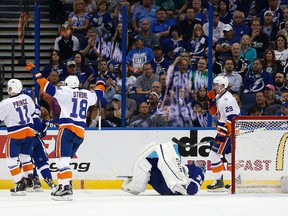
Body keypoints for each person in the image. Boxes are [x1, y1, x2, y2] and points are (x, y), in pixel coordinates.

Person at [26, 63, 106, 201]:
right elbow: (99, 93)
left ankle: (66, 188)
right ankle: (64, 186)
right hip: (80, 133)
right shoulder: (87, 94)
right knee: (65, 161)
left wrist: (36, 74)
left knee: (61, 160)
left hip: (67, 130)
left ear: (67, 84)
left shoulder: (65, 92)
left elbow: (47, 88)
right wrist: (101, 81)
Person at [122, 141, 205, 195]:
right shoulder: (189, 168)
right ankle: (134, 185)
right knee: (146, 162)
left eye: (201, 163)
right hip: (163, 185)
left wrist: (182, 188)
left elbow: (193, 189)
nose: (199, 162)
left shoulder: (198, 171)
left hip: (172, 187)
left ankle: (137, 184)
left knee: (166, 153)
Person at [0, 79, 36, 195]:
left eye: (9, 88)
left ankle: (19, 183)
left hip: (15, 133)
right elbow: (31, 112)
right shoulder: (27, 98)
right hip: (29, 132)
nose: (8, 90)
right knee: (25, 157)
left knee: (11, 159)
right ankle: (29, 181)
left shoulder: (5, 103)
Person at [206, 76, 240, 191]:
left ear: (222, 86)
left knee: (214, 155)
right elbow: (213, 112)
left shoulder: (227, 99)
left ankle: (218, 181)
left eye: (215, 84)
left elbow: (233, 117)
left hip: (227, 131)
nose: (213, 86)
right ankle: (237, 180)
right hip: (227, 131)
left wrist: (224, 133)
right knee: (229, 155)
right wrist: (211, 102)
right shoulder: (220, 96)